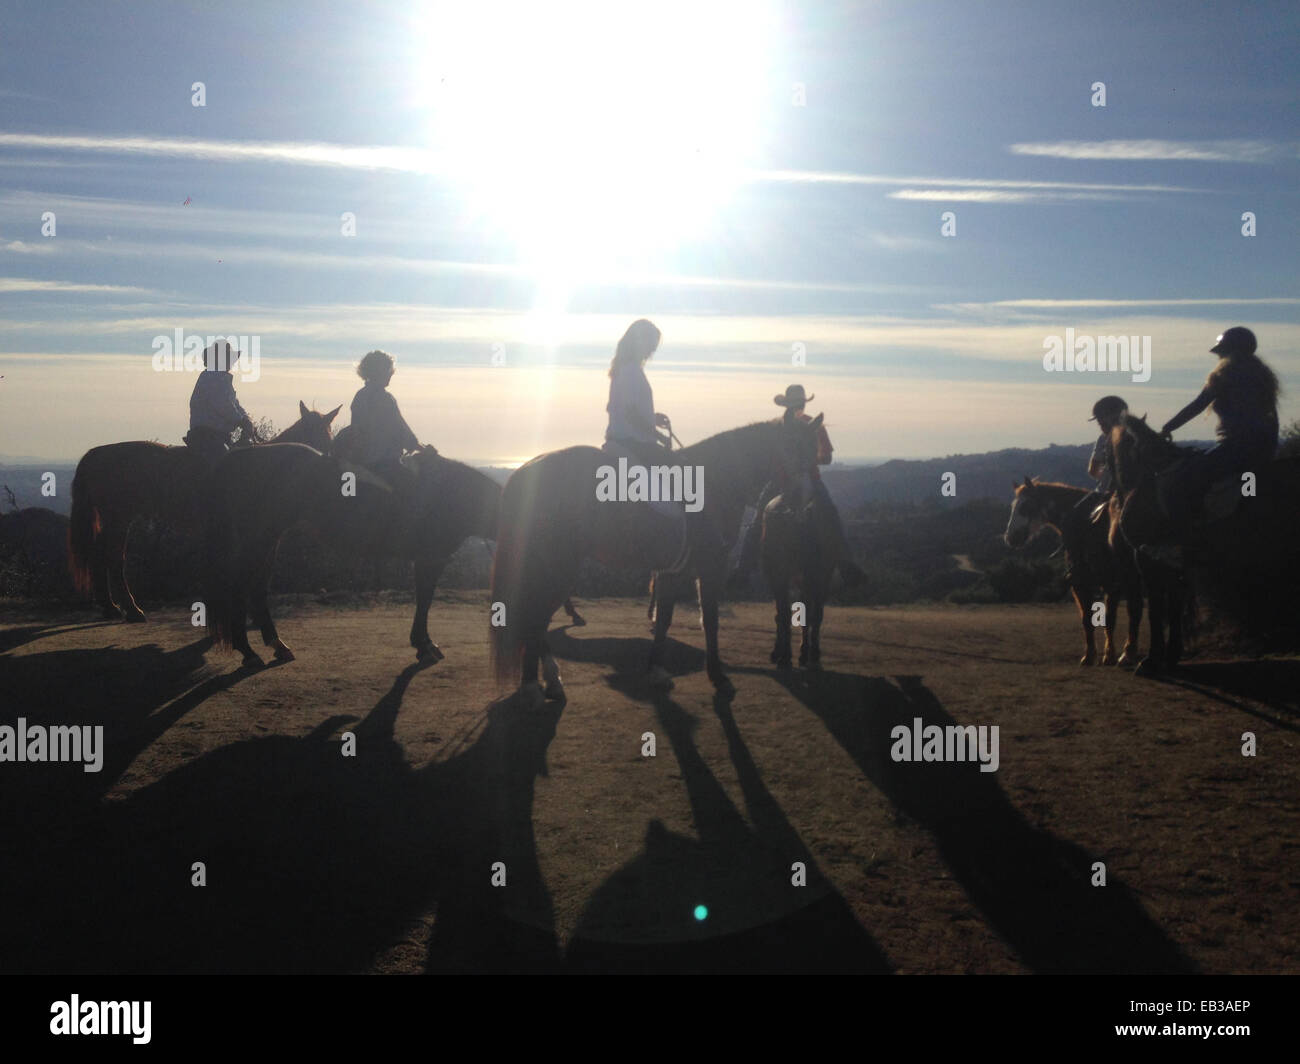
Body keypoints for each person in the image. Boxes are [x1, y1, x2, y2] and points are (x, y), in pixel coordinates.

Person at [731, 385, 864, 588]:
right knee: (830, 515)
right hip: (803, 480)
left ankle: (743, 569)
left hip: (783, 481)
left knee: (758, 520)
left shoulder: (779, 427)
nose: (797, 406)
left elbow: (824, 457)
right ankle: (846, 563)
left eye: (797, 403)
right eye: (795, 403)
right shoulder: (811, 425)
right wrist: (810, 460)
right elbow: (826, 458)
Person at [1161, 327, 1279, 523]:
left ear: (1228, 351)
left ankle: (1188, 535)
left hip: (1233, 448)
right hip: (1263, 449)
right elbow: (1271, 417)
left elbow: (1198, 406)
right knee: (1248, 487)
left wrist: (1168, 428)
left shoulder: (1224, 374)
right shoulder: (1263, 376)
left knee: (1182, 480)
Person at [349, 349, 424, 489]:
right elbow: (401, 430)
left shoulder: (360, 396)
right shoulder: (385, 399)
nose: (391, 374)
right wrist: (420, 447)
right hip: (386, 463)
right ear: (381, 372)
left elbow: (356, 430)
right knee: (417, 490)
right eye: (388, 370)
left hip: (360, 462)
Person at [604, 319, 671, 459]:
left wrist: (652, 418)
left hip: (624, 441)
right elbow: (631, 415)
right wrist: (660, 437)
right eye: (651, 345)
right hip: (632, 444)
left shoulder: (625, 369)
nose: (652, 350)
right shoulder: (631, 372)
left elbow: (626, 411)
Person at [186, 340, 256, 469]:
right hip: (207, 436)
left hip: (217, 436)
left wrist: (246, 419)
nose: (232, 363)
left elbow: (235, 405)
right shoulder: (213, 378)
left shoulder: (220, 379)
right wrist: (242, 421)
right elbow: (223, 405)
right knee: (225, 466)